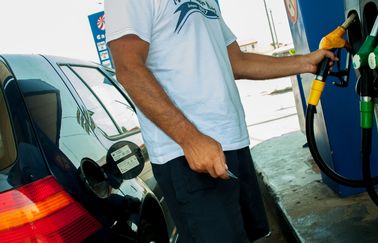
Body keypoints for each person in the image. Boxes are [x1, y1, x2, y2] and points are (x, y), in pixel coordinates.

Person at [105, 0, 337, 242]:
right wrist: (190, 140)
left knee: (251, 235)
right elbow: (128, 68)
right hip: (189, 157)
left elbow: (236, 61)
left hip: (231, 144)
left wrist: (306, 62)